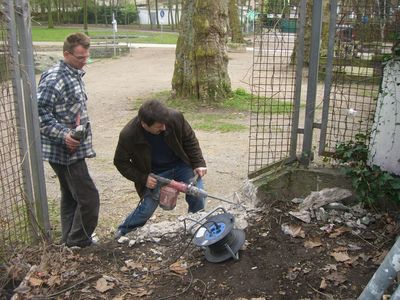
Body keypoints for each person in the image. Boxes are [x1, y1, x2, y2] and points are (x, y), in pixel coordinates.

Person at [37, 32, 100, 248]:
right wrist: (64, 134)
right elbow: (39, 113)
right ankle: (79, 241)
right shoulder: (55, 77)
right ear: (66, 54)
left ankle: (68, 241)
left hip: (73, 149)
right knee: (89, 198)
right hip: (64, 152)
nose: (85, 62)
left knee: (71, 196)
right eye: (80, 58)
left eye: (86, 57)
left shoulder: (73, 73)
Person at [113, 100, 207, 238]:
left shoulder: (174, 118)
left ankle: (196, 225)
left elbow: (190, 140)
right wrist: (143, 178)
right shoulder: (129, 135)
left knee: (198, 194)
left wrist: (199, 163)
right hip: (155, 174)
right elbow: (120, 162)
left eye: (164, 124)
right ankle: (123, 231)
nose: (163, 128)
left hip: (181, 165)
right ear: (145, 124)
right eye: (159, 126)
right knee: (146, 209)